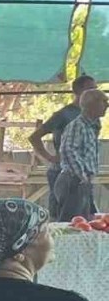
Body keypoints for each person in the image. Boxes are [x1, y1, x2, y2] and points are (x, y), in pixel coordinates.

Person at [30, 74, 96, 199]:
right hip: (63, 172)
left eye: (96, 89)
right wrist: (50, 158)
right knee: (62, 213)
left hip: (83, 173)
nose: (94, 93)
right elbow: (34, 137)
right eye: (90, 89)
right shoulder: (64, 114)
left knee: (85, 213)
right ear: (78, 91)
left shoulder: (92, 114)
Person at [51, 88, 107, 222]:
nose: (107, 105)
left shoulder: (90, 127)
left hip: (82, 181)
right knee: (70, 226)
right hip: (73, 180)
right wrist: (81, 175)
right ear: (92, 104)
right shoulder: (78, 125)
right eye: (104, 101)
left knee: (85, 223)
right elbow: (68, 150)